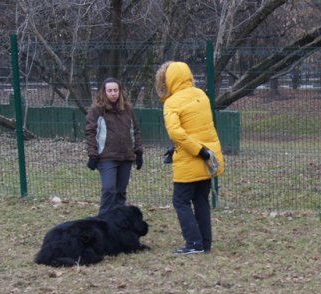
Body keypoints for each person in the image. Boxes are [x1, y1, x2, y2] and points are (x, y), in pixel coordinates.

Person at [155, 61, 224, 255]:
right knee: (201, 199)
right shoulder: (201, 95)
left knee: (180, 201)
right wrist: (203, 151)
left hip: (192, 158)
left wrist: (198, 150)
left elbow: (176, 132)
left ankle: (193, 243)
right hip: (209, 156)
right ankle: (205, 243)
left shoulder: (172, 102)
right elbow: (198, 127)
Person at [85, 78, 143, 215]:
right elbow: (90, 132)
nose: (113, 93)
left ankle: (118, 223)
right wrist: (92, 155)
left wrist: (139, 153)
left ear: (120, 91)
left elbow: (135, 130)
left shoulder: (128, 109)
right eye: (109, 90)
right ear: (104, 92)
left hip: (126, 156)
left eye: (115, 90)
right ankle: (102, 220)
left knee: (121, 192)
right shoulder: (97, 110)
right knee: (109, 189)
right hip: (106, 157)